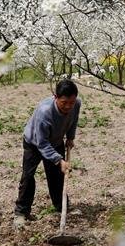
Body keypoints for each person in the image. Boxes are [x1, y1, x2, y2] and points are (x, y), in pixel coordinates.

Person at [14, 79, 81, 226]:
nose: (68, 106)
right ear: (55, 97)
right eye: (64, 102)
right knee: (28, 176)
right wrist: (59, 160)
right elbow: (42, 144)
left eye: (71, 102)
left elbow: (73, 120)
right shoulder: (44, 112)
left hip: (56, 141)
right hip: (34, 143)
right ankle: (21, 213)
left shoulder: (76, 104)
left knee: (57, 176)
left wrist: (70, 137)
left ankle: (62, 207)